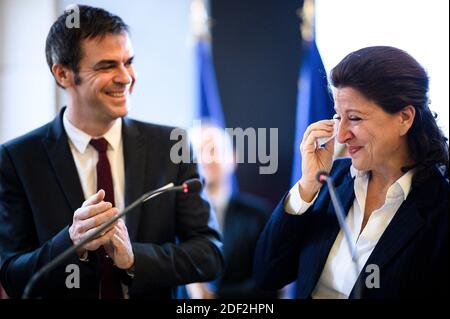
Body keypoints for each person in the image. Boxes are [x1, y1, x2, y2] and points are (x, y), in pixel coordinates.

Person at [0, 5, 223, 299]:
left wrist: (134, 259)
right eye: (107, 66)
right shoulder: (18, 159)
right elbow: (12, 274)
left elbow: (209, 254)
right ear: (64, 74)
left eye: (128, 62)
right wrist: (70, 244)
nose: (126, 77)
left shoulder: (172, 145)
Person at [253, 46, 449, 298]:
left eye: (355, 118)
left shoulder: (440, 208)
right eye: (338, 117)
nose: (342, 135)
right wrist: (307, 187)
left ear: (404, 118)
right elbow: (267, 274)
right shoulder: (330, 180)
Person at [186, 124, 277, 298]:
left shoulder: (258, 215)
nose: (206, 158)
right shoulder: (173, 217)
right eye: (198, 151)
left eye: (213, 150)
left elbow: (270, 282)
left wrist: (215, 297)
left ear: (233, 158)